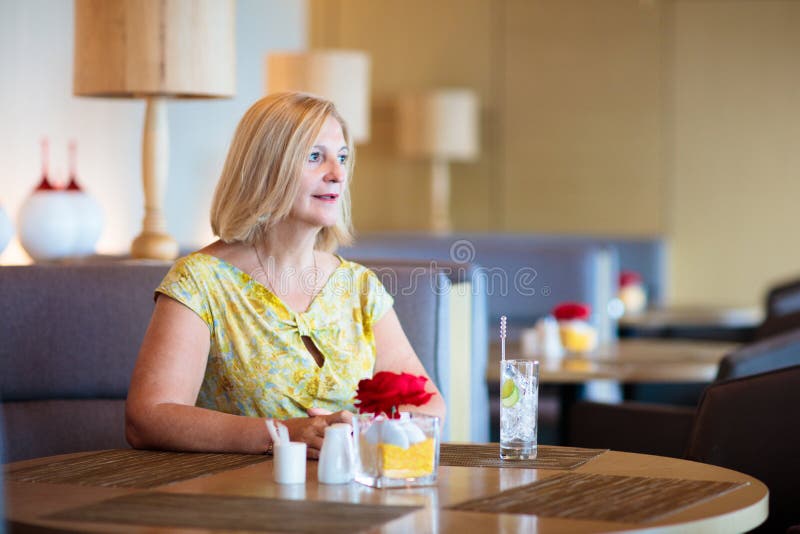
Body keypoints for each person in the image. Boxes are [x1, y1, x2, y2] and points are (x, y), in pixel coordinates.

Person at [125, 92, 446, 458]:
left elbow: (428, 406)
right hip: (234, 502)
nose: (338, 174)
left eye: (342, 158)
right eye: (315, 157)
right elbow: (148, 418)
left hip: (350, 498)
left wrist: (360, 433)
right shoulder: (199, 281)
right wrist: (284, 434)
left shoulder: (359, 287)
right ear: (267, 168)